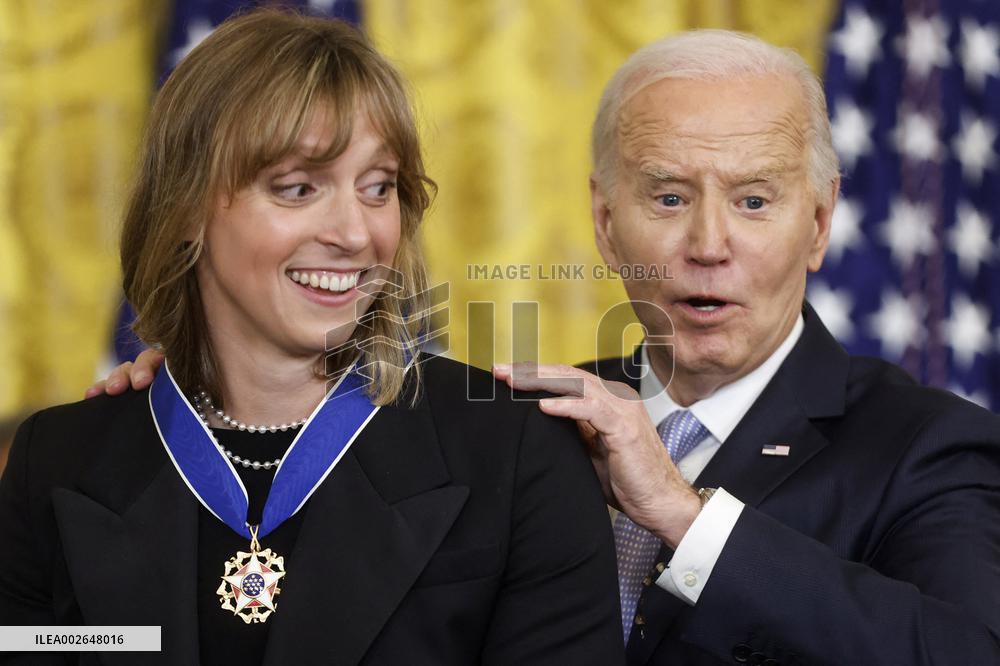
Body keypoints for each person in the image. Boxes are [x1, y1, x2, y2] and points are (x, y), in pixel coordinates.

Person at [93, 28, 1000, 665]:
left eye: (755, 200)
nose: (710, 242)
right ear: (607, 224)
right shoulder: (518, 421)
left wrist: (686, 520)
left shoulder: (925, 447)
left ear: (821, 224)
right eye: (670, 198)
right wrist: (201, 406)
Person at [0, 10, 624, 666]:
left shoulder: (514, 450)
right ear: (186, 209)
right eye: (299, 189)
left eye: (378, 188)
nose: (355, 234)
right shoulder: (57, 461)